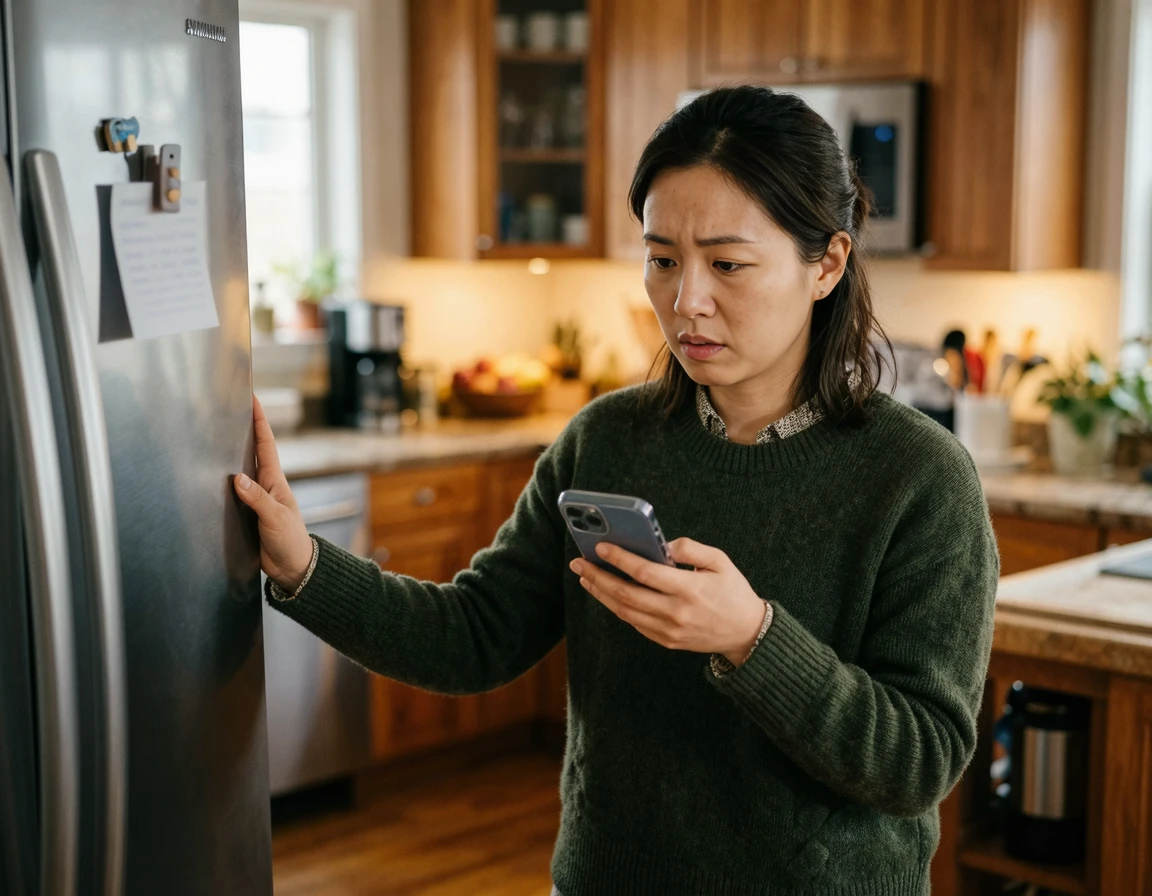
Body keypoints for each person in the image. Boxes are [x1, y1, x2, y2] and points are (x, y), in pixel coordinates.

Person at [234, 85, 998, 896]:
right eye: (662, 259)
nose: (685, 300)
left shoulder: (921, 480)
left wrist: (752, 637)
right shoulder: (605, 440)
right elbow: (472, 635)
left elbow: (920, 761)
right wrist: (301, 565)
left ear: (827, 263)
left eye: (728, 265)